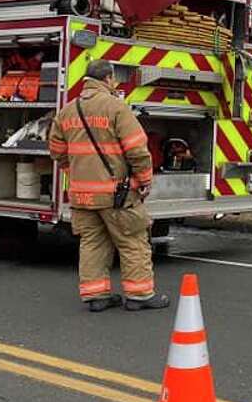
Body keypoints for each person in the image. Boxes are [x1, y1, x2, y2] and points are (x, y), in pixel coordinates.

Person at [48, 59, 169, 312]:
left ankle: (96, 296)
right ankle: (139, 295)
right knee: (133, 241)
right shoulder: (116, 107)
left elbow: (57, 150)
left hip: (82, 195)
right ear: (107, 79)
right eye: (113, 78)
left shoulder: (67, 111)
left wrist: (75, 173)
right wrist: (144, 180)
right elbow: (137, 149)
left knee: (92, 243)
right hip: (116, 195)